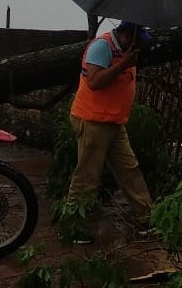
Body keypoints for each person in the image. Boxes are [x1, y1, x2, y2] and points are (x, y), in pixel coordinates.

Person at [64, 20, 154, 242]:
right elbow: (94, 81)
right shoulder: (101, 47)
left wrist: (127, 61)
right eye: (137, 42)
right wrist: (123, 64)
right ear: (125, 35)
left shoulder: (127, 50)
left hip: (113, 122)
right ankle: (73, 227)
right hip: (93, 120)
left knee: (129, 169)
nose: (139, 47)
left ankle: (148, 218)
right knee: (87, 175)